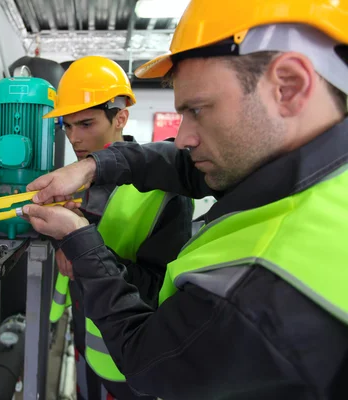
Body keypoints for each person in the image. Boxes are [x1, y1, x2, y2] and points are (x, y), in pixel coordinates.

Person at [22, 1, 348, 399]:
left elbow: (146, 357)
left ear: (289, 86)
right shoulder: (293, 178)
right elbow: (177, 165)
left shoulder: (261, 290)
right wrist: (93, 168)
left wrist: (83, 244)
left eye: (197, 109)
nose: (183, 138)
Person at [45, 56, 193, 400]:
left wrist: (84, 252)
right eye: (67, 127)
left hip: (129, 368)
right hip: (85, 341)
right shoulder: (76, 177)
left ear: (120, 118)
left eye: (85, 124)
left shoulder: (165, 195)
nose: (74, 139)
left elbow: (161, 290)